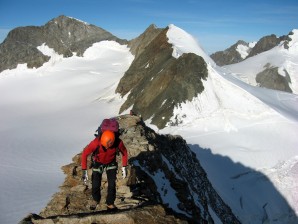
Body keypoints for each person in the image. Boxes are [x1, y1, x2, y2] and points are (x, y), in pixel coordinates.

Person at [81, 129, 128, 210]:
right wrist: (84, 170)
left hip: (111, 162)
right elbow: (85, 154)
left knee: (112, 184)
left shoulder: (118, 142)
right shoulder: (96, 143)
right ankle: (96, 200)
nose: (106, 147)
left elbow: (124, 152)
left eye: (108, 145)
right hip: (98, 162)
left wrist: (124, 166)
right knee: (95, 183)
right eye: (104, 146)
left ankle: (110, 203)